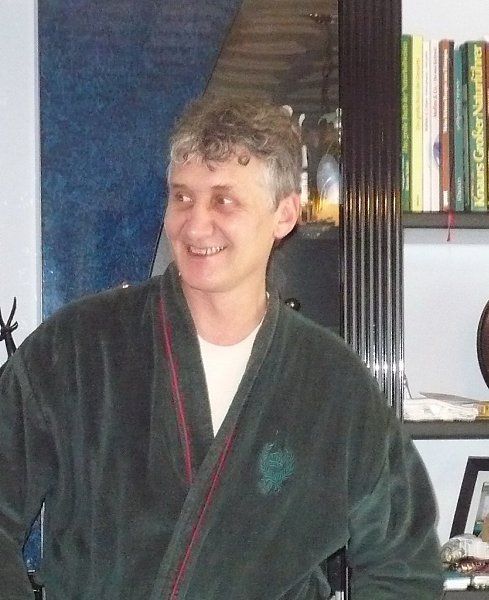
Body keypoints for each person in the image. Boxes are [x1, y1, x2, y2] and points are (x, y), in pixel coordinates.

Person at [0, 96, 443, 599]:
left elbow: (405, 567)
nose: (195, 225)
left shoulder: (332, 382)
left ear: (284, 214)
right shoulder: (78, 350)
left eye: (224, 200)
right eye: (182, 197)